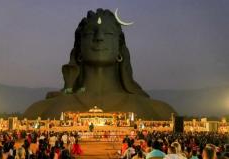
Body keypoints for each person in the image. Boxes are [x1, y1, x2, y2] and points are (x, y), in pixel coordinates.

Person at [24, 8, 176, 120]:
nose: (99, 37)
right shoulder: (40, 110)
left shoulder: (160, 111)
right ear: (79, 47)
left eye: (108, 33)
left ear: (120, 47)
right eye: (90, 33)